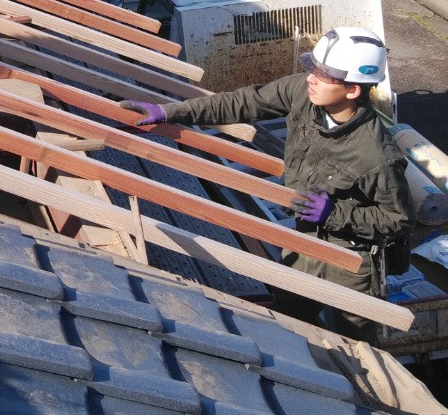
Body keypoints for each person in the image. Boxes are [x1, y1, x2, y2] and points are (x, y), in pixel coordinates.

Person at [122, 27, 412, 339]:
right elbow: (242, 102)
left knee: (358, 346)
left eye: (323, 74)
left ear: (353, 90)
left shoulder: (376, 155)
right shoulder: (302, 93)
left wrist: (336, 215)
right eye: (312, 69)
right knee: (287, 325)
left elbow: (398, 219)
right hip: (306, 241)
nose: (310, 78)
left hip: (351, 259)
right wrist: (169, 112)